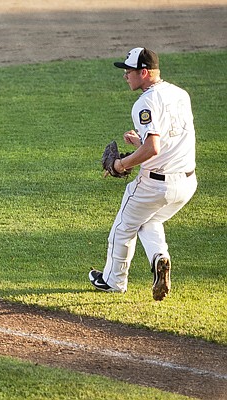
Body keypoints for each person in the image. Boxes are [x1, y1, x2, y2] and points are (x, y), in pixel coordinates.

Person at [89, 48, 197, 301]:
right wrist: (139, 141)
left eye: (129, 71)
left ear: (144, 72)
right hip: (186, 182)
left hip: (155, 184)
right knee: (149, 222)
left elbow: (153, 148)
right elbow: (169, 141)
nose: (125, 75)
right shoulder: (180, 94)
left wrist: (121, 165)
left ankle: (113, 281)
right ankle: (160, 257)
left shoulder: (144, 102)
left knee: (122, 229)